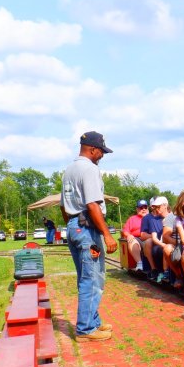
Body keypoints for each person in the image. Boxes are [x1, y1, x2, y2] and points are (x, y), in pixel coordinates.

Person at [60, 131, 117, 341]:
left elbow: (63, 207)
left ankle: (93, 322)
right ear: (92, 149)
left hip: (74, 226)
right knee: (91, 280)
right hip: (87, 228)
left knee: (87, 277)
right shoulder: (90, 169)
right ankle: (85, 329)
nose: (102, 155)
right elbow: (93, 204)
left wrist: (73, 226)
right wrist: (106, 235)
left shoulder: (69, 170)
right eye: (101, 151)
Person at [140, 196, 169, 282]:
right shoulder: (147, 218)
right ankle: (153, 269)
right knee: (149, 242)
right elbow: (143, 235)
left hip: (164, 240)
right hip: (154, 240)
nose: (155, 208)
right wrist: (155, 237)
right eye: (154, 206)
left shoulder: (167, 216)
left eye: (157, 206)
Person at [122, 199, 149, 271]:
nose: (143, 209)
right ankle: (139, 263)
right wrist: (129, 235)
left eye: (145, 207)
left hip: (148, 239)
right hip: (137, 239)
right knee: (131, 241)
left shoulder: (151, 218)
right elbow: (125, 231)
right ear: (137, 209)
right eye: (141, 208)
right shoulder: (132, 219)